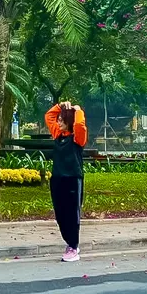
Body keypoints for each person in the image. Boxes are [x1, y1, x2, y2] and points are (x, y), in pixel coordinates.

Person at [45, 100, 87, 262]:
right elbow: (49, 116)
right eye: (59, 120)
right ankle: (69, 243)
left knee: (72, 215)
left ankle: (73, 246)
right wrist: (60, 106)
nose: (59, 122)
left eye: (62, 120)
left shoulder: (77, 138)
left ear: (69, 121)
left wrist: (78, 110)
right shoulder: (58, 135)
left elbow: (79, 125)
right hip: (57, 179)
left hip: (73, 179)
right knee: (60, 215)